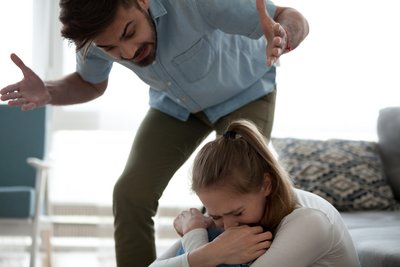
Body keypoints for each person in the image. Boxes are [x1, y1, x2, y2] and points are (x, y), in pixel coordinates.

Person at [0, 0, 309, 266]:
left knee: (229, 194)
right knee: (130, 194)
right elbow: (91, 83)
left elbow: (289, 16)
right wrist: (49, 92)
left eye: (129, 32)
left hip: (246, 92)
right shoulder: (95, 37)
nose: (127, 52)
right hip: (176, 106)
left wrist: (285, 34)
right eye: (110, 48)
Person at [150, 120, 361, 267]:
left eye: (238, 212)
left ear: (266, 185)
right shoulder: (229, 215)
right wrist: (207, 246)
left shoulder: (309, 222)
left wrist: (195, 238)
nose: (229, 226)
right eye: (216, 215)